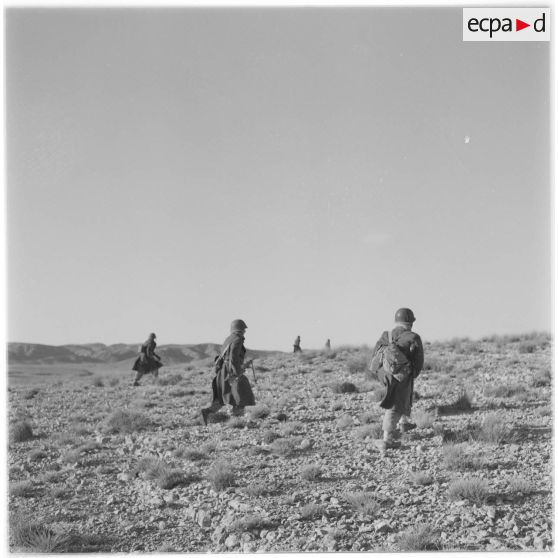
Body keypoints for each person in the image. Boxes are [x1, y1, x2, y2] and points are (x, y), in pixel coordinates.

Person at [370, 308, 424, 450]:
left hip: (385, 375)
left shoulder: (386, 335)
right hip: (402, 375)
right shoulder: (413, 337)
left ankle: (403, 424)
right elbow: (418, 362)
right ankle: (387, 439)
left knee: (399, 397)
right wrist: (410, 374)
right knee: (396, 404)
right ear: (411, 322)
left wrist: (385, 374)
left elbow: (375, 356)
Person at [201, 319, 256, 425]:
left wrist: (243, 365)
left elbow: (229, 357)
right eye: (243, 329)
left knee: (224, 398)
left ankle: (206, 413)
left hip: (223, 373)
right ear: (240, 329)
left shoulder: (229, 339)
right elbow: (233, 357)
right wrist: (237, 373)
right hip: (230, 373)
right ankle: (237, 420)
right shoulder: (237, 339)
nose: (245, 331)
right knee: (241, 394)